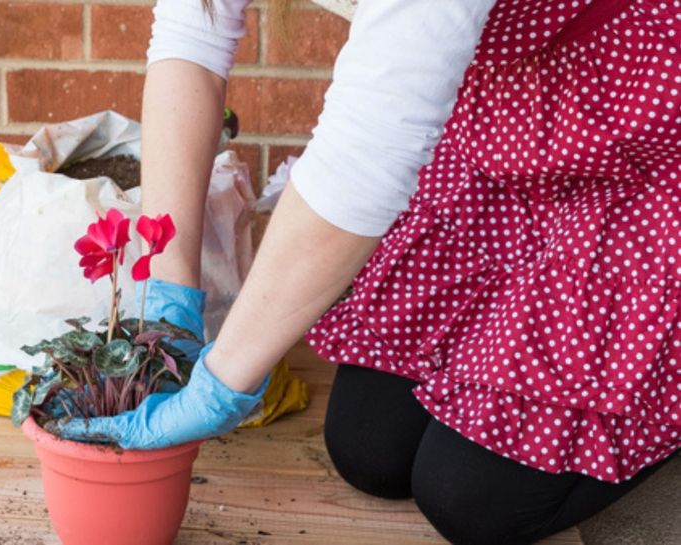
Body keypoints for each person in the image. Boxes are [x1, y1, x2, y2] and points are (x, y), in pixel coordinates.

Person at [57, 0, 681, 543]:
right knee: (370, 451)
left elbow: (364, 159)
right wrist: (168, 284)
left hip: (642, 138)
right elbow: (193, 35)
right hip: (513, 128)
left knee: (472, 504)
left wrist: (223, 382)